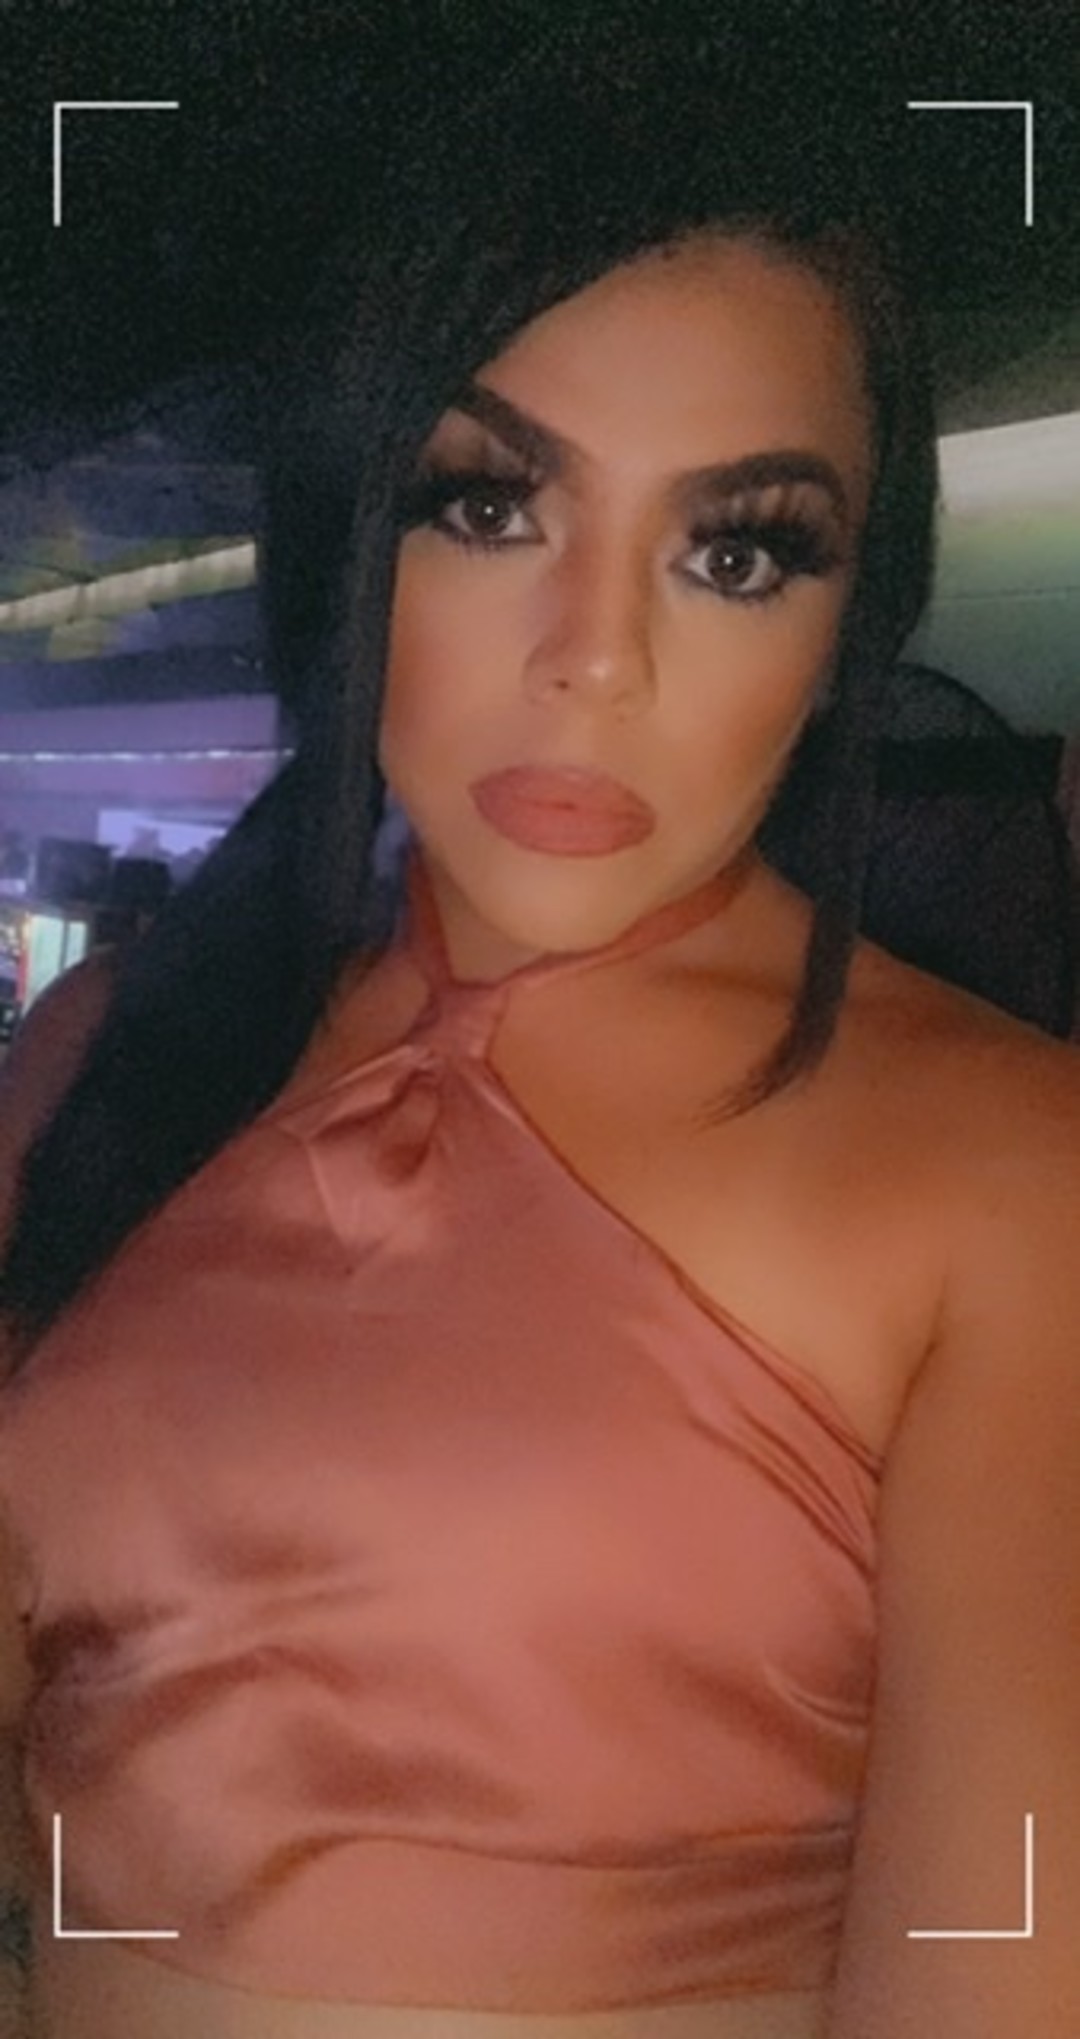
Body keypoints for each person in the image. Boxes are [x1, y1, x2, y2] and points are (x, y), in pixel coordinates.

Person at [0, 30, 1078, 2039]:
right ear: (348, 533)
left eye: (737, 550)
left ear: (847, 625)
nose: (598, 658)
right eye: (490, 505)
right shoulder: (115, 1050)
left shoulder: (1014, 1175)